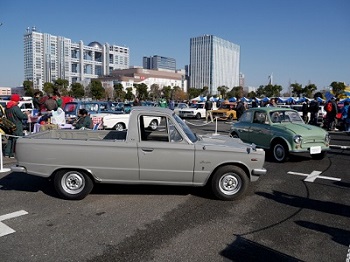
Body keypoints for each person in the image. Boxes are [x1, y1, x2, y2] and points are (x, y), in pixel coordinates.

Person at [4, 94, 30, 158]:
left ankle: (7, 153)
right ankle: (12, 154)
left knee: (10, 138)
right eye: (18, 100)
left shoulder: (7, 107)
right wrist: (26, 114)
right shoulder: (15, 107)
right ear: (16, 100)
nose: (18, 102)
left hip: (10, 125)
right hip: (17, 125)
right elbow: (21, 116)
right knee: (16, 139)